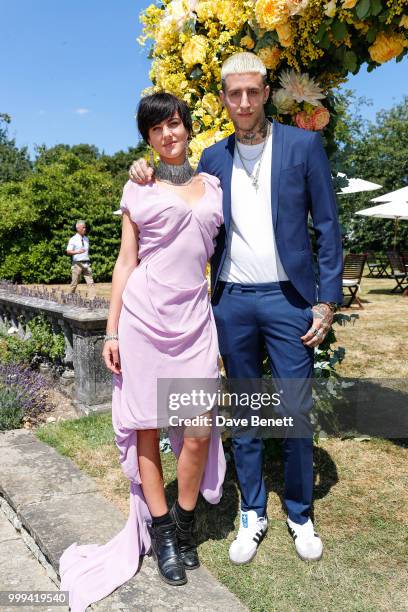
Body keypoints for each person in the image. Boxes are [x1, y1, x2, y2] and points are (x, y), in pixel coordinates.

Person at [129, 52, 343, 565]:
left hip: (291, 301)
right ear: (224, 98)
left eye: (252, 91)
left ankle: (298, 511)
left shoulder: (304, 145)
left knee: (293, 410)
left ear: (266, 92)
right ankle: (251, 510)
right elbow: (177, 197)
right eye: (234, 93)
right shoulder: (213, 159)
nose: (244, 102)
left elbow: (329, 228)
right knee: (244, 413)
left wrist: (326, 301)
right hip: (231, 304)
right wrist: (142, 168)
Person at [58, 93, 226, 612]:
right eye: (156, 129)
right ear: (147, 138)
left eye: (173, 124)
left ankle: (184, 518)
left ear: (187, 128)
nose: (167, 134)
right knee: (148, 428)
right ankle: (164, 534)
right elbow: (126, 263)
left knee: (197, 430)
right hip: (143, 320)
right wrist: (111, 331)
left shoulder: (215, 186)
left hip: (195, 321)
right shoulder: (138, 185)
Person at [66, 220, 96, 299]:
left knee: (91, 283)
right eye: (83, 227)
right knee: (74, 283)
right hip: (77, 264)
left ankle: (92, 301)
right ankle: (68, 299)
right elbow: (68, 251)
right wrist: (77, 252)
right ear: (77, 228)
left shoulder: (86, 239)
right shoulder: (73, 239)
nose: (85, 229)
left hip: (86, 263)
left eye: (85, 227)